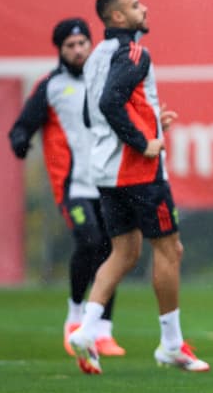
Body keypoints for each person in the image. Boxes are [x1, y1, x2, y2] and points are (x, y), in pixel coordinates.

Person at [67, 0, 209, 375]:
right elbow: (110, 102)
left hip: (106, 171)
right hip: (138, 171)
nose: (143, 8)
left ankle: (86, 328)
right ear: (117, 18)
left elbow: (89, 114)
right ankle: (171, 344)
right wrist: (143, 141)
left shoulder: (96, 56)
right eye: (134, 5)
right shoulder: (134, 52)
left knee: (124, 252)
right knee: (170, 250)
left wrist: (148, 123)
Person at [8, 18, 125, 358]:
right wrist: (19, 139)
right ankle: (75, 318)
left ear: (91, 45)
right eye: (70, 46)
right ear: (60, 50)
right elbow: (24, 124)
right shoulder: (52, 86)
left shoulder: (107, 81)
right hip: (73, 185)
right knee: (89, 241)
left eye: (82, 44)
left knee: (111, 252)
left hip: (108, 183)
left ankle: (103, 329)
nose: (77, 50)